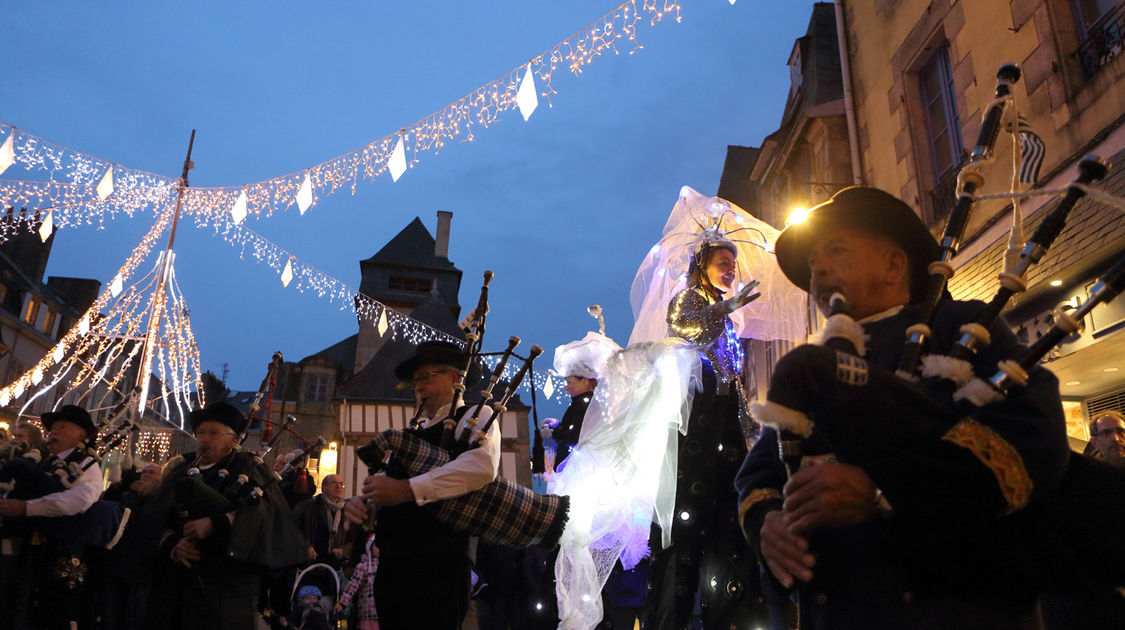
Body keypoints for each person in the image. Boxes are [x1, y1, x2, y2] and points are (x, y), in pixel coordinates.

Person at [735, 186, 1071, 629]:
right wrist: (768, 526)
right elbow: (760, 473)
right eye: (813, 262)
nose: (816, 270)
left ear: (894, 265)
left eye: (835, 250)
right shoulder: (811, 368)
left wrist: (882, 490)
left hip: (956, 610)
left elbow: (1031, 435)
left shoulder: (959, 326)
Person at [643, 232, 761, 630]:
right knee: (688, 524)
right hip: (699, 419)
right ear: (702, 267)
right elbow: (683, 326)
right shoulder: (690, 298)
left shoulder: (726, 316)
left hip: (725, 417)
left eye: (733, 264)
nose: (730, 270)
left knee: (728, 520)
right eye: (722, 262)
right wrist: (728, 305)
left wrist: (748, 423)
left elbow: (733, 375)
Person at [344, 340, 500, 630]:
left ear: (456, 378)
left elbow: (481, 466)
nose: (418, 387)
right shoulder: (410, 436)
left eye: (427, 376)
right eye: (416, 381)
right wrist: (367, 510)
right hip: (392, 567)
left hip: (439, 567)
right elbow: (393, 497)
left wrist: (406, 490)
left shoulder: (476, 416)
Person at [145, 402, 307, 630]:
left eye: (214, 433)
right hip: (176, 585)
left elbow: (269, 516)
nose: (205, 439)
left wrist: (218, 523)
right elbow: (156, 516)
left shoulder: (249, 468)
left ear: (233, 440)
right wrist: (173, 545)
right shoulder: (180, 468)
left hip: (227, 585)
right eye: (201, 433)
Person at [293, 474, 349, 569]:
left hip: (336, 562)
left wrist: (344, 550)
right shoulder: (309, 505)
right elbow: (294, 529)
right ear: (324, 487)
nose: (338, 486)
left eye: (341, 484)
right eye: (334, 483)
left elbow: (353, 537)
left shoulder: (347, 509)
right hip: (312, 560)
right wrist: (306, 547)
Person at [337, 534, 379, 630]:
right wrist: (343, 603)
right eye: (376, 545)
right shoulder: (363, 567)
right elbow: (352, 586)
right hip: (368, 612)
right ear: (370, 548)